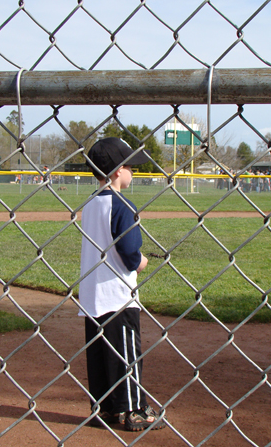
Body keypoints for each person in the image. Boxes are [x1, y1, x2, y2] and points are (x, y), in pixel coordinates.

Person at [80, 137, 165, 432]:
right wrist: (140, 261)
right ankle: (133, 410)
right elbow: (129, 251)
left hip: (92, 295)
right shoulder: (123, 205)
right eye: (130, 167)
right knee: (126, 353)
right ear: (118, 171)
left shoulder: (91, 203)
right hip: (117, 295)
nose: (133, 172)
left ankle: (104, 408)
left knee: (99, 355)